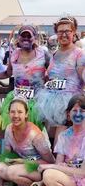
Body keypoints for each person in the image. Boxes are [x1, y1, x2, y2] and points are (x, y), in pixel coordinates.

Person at [31, 95, 85, 186]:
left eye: (82, 111)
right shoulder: (64, 136)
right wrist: (41, 183)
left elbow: (82, 173)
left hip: (82, 182)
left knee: (48, 174)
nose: (78, 114)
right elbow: (59, 166)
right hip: (70, 182)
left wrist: (49, 167)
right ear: (68, 115)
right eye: (74, 111)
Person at [0, 25, 50, 130]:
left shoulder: (43, 54)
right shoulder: (14, 54)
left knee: (36, 133)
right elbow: (7, 73)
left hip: (37, 101)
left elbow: (53, 71)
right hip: (18, 100)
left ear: (34, 38)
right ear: (19, 38)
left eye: (29, 36)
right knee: (17, 132)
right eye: (23, 36)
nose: (26, 38)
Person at [0, 99, 55, 186]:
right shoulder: (9, 129)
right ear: (8, 113)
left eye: (20, 112)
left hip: (40, 169)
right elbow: (6, 156)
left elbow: (50, 162)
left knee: (11, 171)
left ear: (26, 114)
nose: (16, 115)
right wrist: (0, 185)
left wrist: (24, 161)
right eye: (13, 112)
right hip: (23, 164)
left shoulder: (34, 133)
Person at [36, 16, 85, 144]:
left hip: (68, 104)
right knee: (47, 142)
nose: (63, 34)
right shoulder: (54, 54)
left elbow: (82, 72)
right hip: (48, 101)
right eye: (60, 31)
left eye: (67, 31)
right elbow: (50, 77)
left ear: (74, 32)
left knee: (60, 145)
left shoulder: (79, 53)